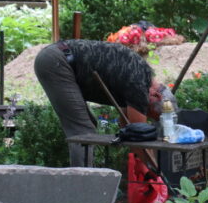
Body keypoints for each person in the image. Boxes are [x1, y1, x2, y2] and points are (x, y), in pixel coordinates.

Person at [34, 39, 169, 166]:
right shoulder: (139, 86)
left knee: (89, 125)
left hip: (58, 56)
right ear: (157, 96)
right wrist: (155, 171)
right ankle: (82, 180)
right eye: (153, 115)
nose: (148, 117)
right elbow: (138, 136)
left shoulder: (140, 77)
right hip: (57, 63)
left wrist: (142, 165)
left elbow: (126, 126)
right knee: (82, 132)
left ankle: (86, 174)